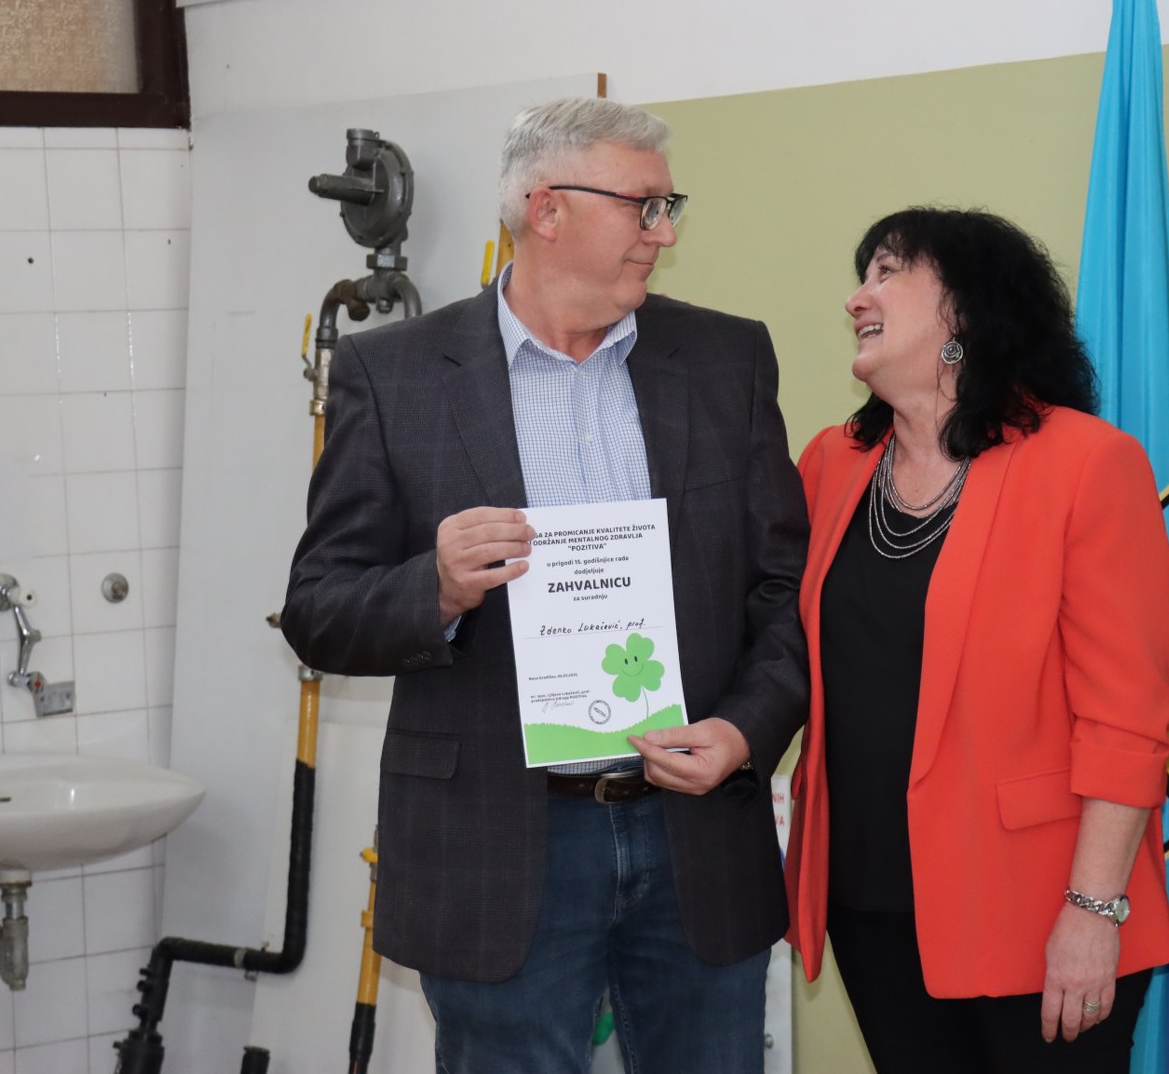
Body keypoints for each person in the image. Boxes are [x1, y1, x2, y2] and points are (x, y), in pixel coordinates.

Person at [281, 97, 809, 1074]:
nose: (664, 232)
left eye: (669, 207)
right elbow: (318, 608)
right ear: (547, 208)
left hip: (693, 833)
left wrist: (744, 733)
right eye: (643, 206)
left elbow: (785, 589)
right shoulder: (394, 374)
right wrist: (436, 586)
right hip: (499, 841)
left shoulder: (724, 360)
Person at [782, 207, 1169, 1073]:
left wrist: (1092, 911)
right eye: (861, 277)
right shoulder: (829, 464)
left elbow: (1127, 721)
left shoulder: (1086, 463)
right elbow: (774, 642)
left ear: (964, 310)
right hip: (867, 900)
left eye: (888, 272)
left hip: (1039, 908)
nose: (858, 298)